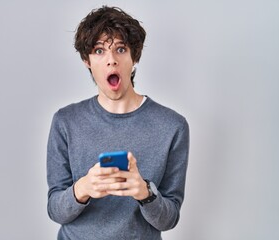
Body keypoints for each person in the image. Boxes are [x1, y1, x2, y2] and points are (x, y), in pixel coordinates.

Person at [46, 5, 189, 240]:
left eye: (120, 49)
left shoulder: (173, 126)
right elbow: (55, 210)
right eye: (99, 50)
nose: (111, 60)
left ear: (134, 57)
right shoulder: (65, 121)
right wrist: (84, 188)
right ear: (87, 61)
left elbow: (170, 218)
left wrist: (145, 193)